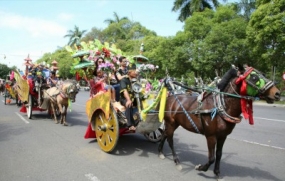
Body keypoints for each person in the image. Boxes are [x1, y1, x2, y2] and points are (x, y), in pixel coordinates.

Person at [119, 63, 138, 131]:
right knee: (129, 104)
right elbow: (124, 91)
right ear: (129, 72)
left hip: (135, 98)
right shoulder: (124, 80)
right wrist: (129, 100)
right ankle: (130, 125)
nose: (136, 73)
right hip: (124, 98)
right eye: (134, 71)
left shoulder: (136, 80)